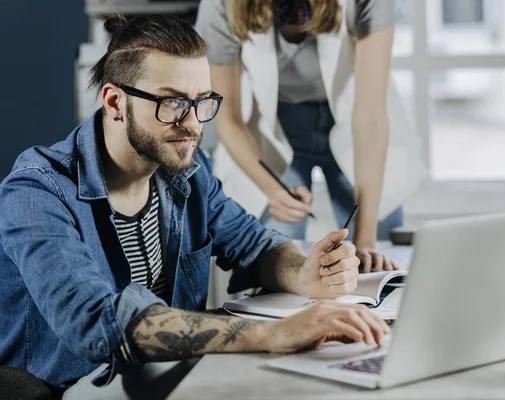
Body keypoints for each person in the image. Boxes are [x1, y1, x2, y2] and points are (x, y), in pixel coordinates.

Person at [0, 14, 390, 395]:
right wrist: (274, 333)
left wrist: (304, 272)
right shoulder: (36, 191)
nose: (193, 124)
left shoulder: (184, 169)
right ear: (116, 102)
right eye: (172, 103)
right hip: (72, 386)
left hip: (165, 375)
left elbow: (255, 245)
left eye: (202, 102)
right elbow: (95, 321)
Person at [195, 0, 427, 273]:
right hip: (277, 130)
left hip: (355, 125)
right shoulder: (221, 4)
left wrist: (366, 241)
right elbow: (228, 117)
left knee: (378, 253)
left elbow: (369, 118)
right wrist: (274, 192)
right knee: (272, 254)